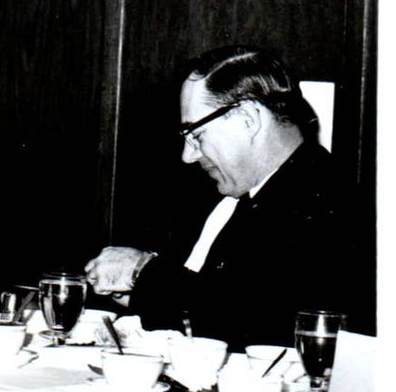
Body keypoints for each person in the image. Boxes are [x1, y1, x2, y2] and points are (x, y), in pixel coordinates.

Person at [84, 45, 363, 351]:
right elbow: (211, 301)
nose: (188, 156)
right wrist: (138, 290)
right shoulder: (237, 193)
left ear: (248, 118)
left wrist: (143, 275)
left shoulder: (332, 202)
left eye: (196, 135)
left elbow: (261, 324)